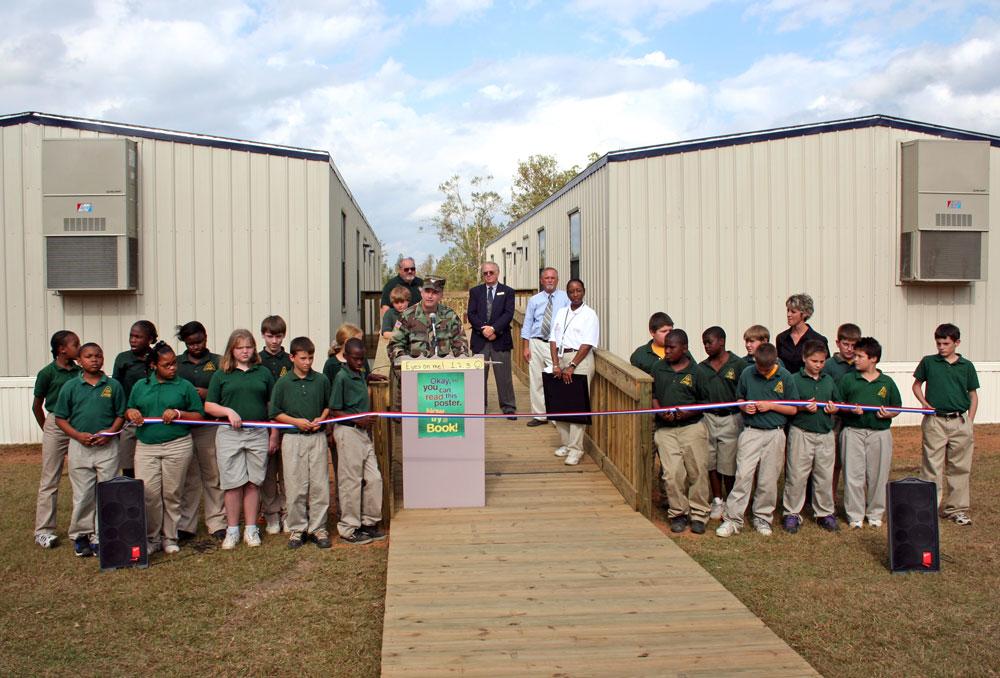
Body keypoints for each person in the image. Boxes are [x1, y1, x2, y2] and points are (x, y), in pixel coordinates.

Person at [125, 342, 204, 554]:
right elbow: (130, 408)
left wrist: (179, 414)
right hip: (147, 447)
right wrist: (131, 413)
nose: (173, 368)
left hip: (177, 445)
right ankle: (151, 538)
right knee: (149, 493)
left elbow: (198, 414)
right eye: (167, 365)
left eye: (174, 364)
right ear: (153, 365)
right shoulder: (140, 386)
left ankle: (170, 537)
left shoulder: (184, 386)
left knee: (172, 493)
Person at [205, 329, 279, 550]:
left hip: (257, 432)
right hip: (230, 434)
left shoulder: (263, 373)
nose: (245, 351)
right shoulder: (221, 374)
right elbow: (209, 405)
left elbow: (271, 406)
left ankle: (251, 528)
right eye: (240, 347)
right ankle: (232, 529)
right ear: (232, 350)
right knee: (232, 483)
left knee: (253, 482)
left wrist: (273, 434)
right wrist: (227, 411)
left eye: (248, 347)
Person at [716, 343, 798, 538]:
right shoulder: (747, 373)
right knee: (743, 474)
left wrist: (771, 406)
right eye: (759, 368)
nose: (761, 371)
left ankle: (762, 516)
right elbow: (739, 398)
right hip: (751, 431)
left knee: (768, 478)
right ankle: (733, 519)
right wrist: (745, 407)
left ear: (774, 363)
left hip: (775, 433)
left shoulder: (785, 377)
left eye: (766, 369)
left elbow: (793, 408)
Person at [52, 343, 126, 557]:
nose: (94, 359)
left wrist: (110, 432)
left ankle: (102, 535)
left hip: (107, 446)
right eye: (88, 356)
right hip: (80, 446)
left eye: (98, 356)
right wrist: (77, 435)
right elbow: (60, 418)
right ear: (79, 361)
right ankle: (81, 535)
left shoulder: (112, 385)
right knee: (83, 493)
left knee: (107, 491)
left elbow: (120, 414)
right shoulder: (71, 387)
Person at [912, 323, 979, 526]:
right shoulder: (929, 362)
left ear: (956, 343)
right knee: (931, 465)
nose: (941, 347)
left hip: (960, 421)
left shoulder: (966, 366)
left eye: (946, 343)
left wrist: (970, 420)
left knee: (959, 467)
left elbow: (973, 394)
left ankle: (956, 509)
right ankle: (929, 507)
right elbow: (916, 385)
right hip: (935, 421)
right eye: (939, 343)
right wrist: (924, 404)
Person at [270, 336, 333, 549]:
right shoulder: (284, 382)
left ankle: (318, 527)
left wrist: (321, 419)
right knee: (295, 484)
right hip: (293, 438)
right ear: (292, 357)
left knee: (319, 484)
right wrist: (296, 422)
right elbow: (275, 412)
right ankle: (297, 528)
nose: (307, 362)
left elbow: (327, 405)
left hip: (316, 437)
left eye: (311, 358)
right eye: (303, 358)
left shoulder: (321, 380)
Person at [838, 337, 901, 529]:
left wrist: (889, 413)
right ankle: (855, 515)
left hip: (879, 433)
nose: (855, 359)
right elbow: (839, 404)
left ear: (873, 359)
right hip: (853, 432)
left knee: (878, 474)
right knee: (853, 475)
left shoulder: (886, 382)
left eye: (859, 356)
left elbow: (896, 406)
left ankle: (875, 513)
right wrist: (850, 409)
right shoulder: (848, 379)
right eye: (855, 356)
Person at [652, 329, 711, 534]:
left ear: (684, 348)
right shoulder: (658, 369)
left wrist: (684, 413)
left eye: (671, 347)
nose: (666, 351)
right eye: (665, 346)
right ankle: (678, 513)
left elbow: (704, 402)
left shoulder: (697, 372)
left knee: (697, 471)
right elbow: (654, 395)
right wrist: (661, 411)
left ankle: (699, 514)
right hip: (666, 430)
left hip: (692, 428)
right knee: (672, 473)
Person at [329, 338, 385, 545]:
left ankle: (369, 522)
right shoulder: (341, 377)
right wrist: (357, 418)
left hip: (363, 434)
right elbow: (335, 409)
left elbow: (362, 375)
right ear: (346, 357)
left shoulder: (360, 373)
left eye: (362, 359)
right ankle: (349, 527)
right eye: (356, 359)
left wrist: (369, 376)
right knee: (350, 481)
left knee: (374, 478)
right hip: (348, 431)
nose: (360, 362)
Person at [175, 321, 227, 542]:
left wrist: (208, 393)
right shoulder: (177, 363)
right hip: (184, 425)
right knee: (189, 477)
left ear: (206, 337)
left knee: (213, 474)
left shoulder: (217, 362)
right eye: (191, 343)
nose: (196, 346)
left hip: (209, 425)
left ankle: (217, 522)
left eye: (199, 341)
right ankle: (186, 524)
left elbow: (227, 389)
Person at [782, 340, 841, 534]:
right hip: (801, 432)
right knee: (797, 475)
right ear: (804, 359)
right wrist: (801, 406)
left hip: (824, 433)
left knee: (824, 475)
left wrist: (834, 407)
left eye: (822, 361)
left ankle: (824, 513)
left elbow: (837, 402)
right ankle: (792, 513)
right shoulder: (794, 379)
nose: (818, 365)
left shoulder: (828, 380)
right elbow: (787, 406)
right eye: (814, 361)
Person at [31, 330, 80, 549]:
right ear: (62, 349)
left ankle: (82, 529)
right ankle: (43, 530)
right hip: (55, 424)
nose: (78, 348)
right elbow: (37, 405)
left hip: (78, 424)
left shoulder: (80, 372)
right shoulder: (47, 373)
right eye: (74, 344)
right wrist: (47, 428)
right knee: (50, 479)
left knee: (82, 478)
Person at [548, 278, 599, 466]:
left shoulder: (590, 315)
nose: (575, 294)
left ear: (583, 291)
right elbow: (553, 339)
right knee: (560, 403)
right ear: (567, 293)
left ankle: (576, 449)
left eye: (578, 291)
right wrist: (555, 364)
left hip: (580, 361)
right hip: (561, 359)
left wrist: (572, 366)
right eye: (571, 291)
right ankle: (567, 443)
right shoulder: (562, 312)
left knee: (577, 405)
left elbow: (587, 343)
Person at [698, 326, 745, 520]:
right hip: (708, 417)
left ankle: (731, 501)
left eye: (710, 342)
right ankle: (717, 500)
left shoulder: (738, 365)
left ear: (722, 341)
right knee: (711, 461)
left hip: (731, 418)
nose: (707, 346)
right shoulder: (702, 367)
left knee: (729, 462)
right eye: (704, 343)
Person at [520, 268, 569, 426]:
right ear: (542, 280)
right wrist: (526, 347)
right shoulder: (534, 300)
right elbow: (527, 323)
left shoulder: (565, 298)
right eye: (546, 278)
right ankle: (540, 415)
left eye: (553, 278)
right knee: (536, 380)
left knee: (556, 380)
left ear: (557, 280)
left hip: (555, 344)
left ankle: (556, 416)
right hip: (536, 342)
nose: (549, 280)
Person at [468, 261, 517, 419]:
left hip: (500, 339)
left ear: (498, 273)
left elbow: (508, 314)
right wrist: (484, 330)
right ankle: (479, 406)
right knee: (479, 376)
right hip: (480, 339)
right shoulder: (475, 292)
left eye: (491, 272)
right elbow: (471, 314)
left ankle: (508, 406)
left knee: (504, 375)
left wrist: (494, 329)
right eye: (485, 273)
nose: (488, 275)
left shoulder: (508, 291)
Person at [821, 322, 861, 501]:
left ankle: (853, 497)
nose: (850, 349)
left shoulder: (860, 363)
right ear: (837, 343)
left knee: (853, 461)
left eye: (854, 345)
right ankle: (830, 495)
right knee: (833, 461)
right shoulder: (829, 365)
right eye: (846, 344)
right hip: (834, 417)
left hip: (854, 418)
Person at [113, 320, 157, 477]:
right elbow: (116, 389)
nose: (133, 340)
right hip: (130, 419)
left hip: (153, 418)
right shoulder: (123, 359)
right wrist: (124, 412)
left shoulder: (158, 358)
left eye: (138, 337)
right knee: (128, 463)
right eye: (131, 336)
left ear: (150, 339)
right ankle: (131, 497)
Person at [388, 276, 470, 362]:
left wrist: (462, 358)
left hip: (441, 370)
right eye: (427, 291)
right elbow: (395, 344)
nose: (430, 296)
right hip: (413, 369)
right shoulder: (406, 315)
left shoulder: (450, 316)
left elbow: (460, 344)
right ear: (421, 293)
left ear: (441, 295)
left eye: (435, 292)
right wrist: (404, 362)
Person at [259, 315, 290, 534]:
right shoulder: (256, 360)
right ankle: (270, 514)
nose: (274, 341)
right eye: (270, 336)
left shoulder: (290, 360)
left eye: (278, 336)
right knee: (268, 473)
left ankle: (289, 513)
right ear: (263, 335)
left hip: (287, 422)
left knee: (287, 472)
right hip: (263, 423)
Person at [775, 293, 829, 375]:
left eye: (793, 312)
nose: (788, 314)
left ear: (805, 314)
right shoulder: (781, 338)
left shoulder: (819, 340)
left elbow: (825, 369)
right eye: (788, 310)